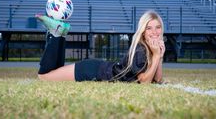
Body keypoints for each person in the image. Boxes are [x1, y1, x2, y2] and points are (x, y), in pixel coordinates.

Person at [35, 10, 165, 84]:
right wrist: (157, 55)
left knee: (56, 70)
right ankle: (57, 34)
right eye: (149, 28)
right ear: (143, 31)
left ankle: (61, 34)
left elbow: (157, 79)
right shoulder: (140, 49)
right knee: (44, 77)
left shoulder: (149, 47)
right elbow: (144, 82)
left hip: (99, 68)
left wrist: (159, 56)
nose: (154, 32)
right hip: (93, 71)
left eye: (158, 27)